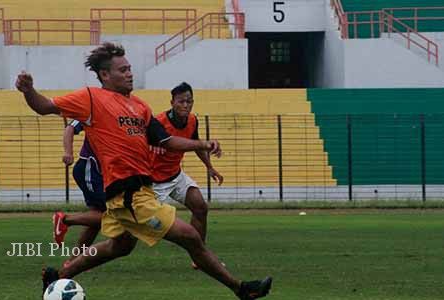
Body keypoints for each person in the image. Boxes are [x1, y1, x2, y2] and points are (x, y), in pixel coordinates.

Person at [15, 42, 272, 300]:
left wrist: (201, 143)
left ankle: (58, 278)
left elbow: (166, 141)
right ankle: (241, 289)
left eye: (130, 68)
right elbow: (45, 106)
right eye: (123, 69)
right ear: (105, 75)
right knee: (191, 237)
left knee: (119, 247)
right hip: (129, 195)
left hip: (139, 191)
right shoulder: (91, 98)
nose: (129, 73)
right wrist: (28, 91)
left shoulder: (139, 106)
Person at [152, 82, 223, 269]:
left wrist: (210, 167)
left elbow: (195, 143)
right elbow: (141, 144)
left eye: (189, 101)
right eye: (181, 101)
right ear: (172, 102)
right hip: (154, 183)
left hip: (176, 176)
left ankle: (200, 257)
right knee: (128, 236)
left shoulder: (192, 120)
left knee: (200, 207)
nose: (186, 105)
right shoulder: (158, 122)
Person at [52, 119, 106, 265]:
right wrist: (68, 152)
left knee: (95, 220)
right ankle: (64, 219)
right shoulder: (92, 106)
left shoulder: (123, 110)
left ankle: (72, 262)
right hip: (91, 170)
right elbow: (70, 127)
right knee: (112, 215)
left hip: (102, 173)